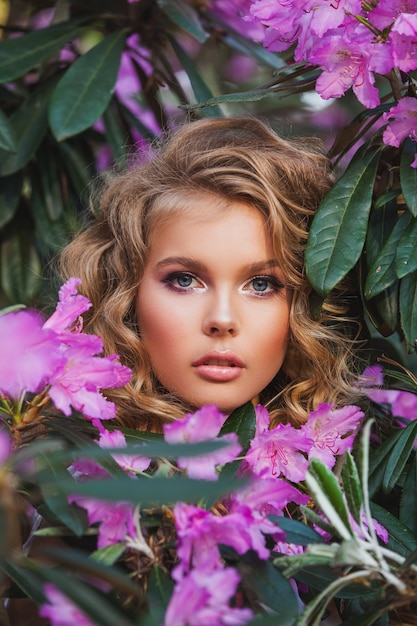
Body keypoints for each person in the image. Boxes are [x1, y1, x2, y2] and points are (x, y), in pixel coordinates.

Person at [59, 116, 359, 433]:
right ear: (127, 294)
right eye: (185, 280)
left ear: (304, 305)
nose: (222, 320)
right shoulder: (40, 470)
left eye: (261, 284)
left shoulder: (361, 472)